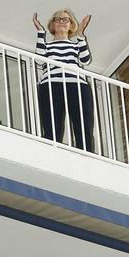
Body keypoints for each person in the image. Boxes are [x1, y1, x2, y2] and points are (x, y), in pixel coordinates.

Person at [33, 9, 94, 152]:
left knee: (83, 128)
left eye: (65, 19)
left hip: (77, 86)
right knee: (51, 128)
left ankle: (86, 159)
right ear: (52, 25)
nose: (61, 22)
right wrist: (40, 32)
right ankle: (51, 156)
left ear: (71, 25)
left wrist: (80, 36)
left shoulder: (75, 45)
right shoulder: (47, 45)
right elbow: (39, 60)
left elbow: (85, 60)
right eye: (57, 19)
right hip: (51, 85)